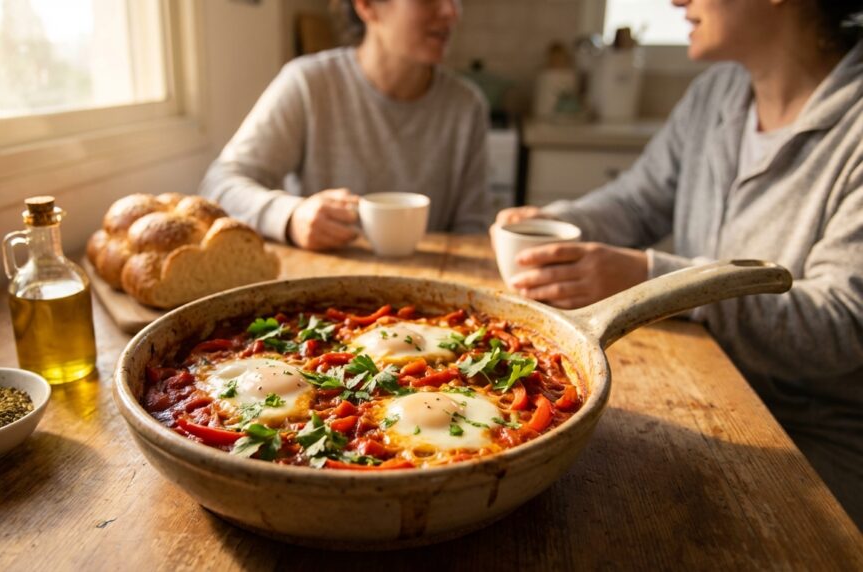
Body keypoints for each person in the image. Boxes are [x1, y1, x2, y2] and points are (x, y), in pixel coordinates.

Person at [495, 0, 863, 524]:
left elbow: (841, 324)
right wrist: (548, 222)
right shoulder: (717, 92)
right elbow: (636, 201)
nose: (675, 1)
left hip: (809, 437)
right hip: (707, 391)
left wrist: (653, 280)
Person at [199, 0, 494, 251]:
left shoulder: (466, 106)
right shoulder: (308, 84)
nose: (451, 12)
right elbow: (219, 184)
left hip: (433, 307)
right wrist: (291, 216)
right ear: (366, 5)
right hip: (322, 300)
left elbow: (472, 231)